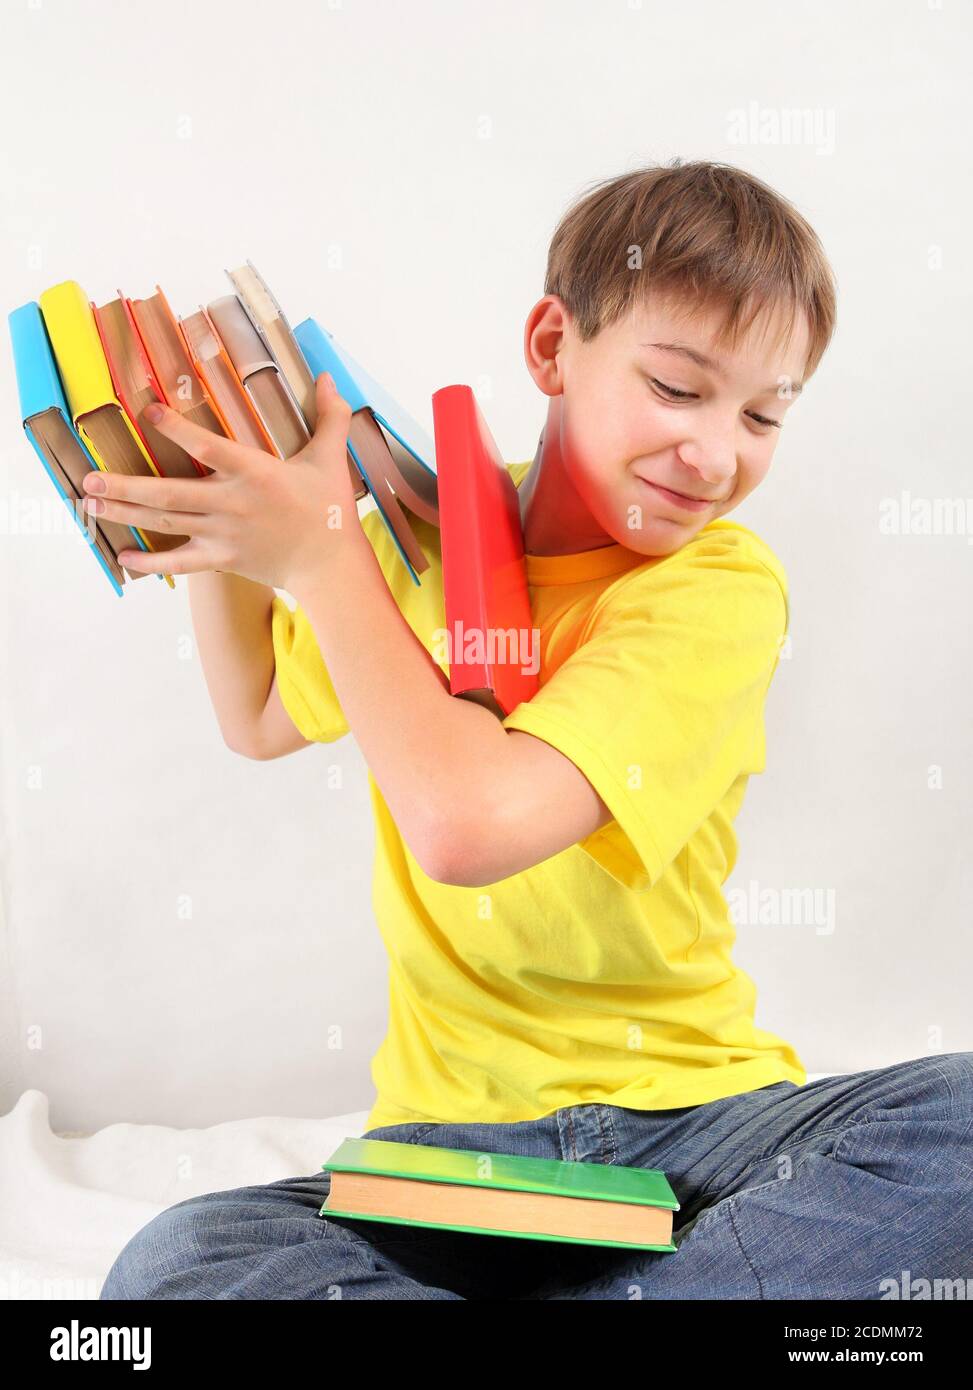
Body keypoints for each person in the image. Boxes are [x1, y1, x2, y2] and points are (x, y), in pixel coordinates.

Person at [95, 160, 972, 1300]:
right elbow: (260, 712)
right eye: (677, 387)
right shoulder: (415, 544)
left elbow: (471, 824)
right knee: (183, 1259)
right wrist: (228, 496)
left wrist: (319, 555)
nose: (716, 453)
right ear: (554, 348)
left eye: (763, 414)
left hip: (696, 1134)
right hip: (448, 1160)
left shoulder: (716, 587)